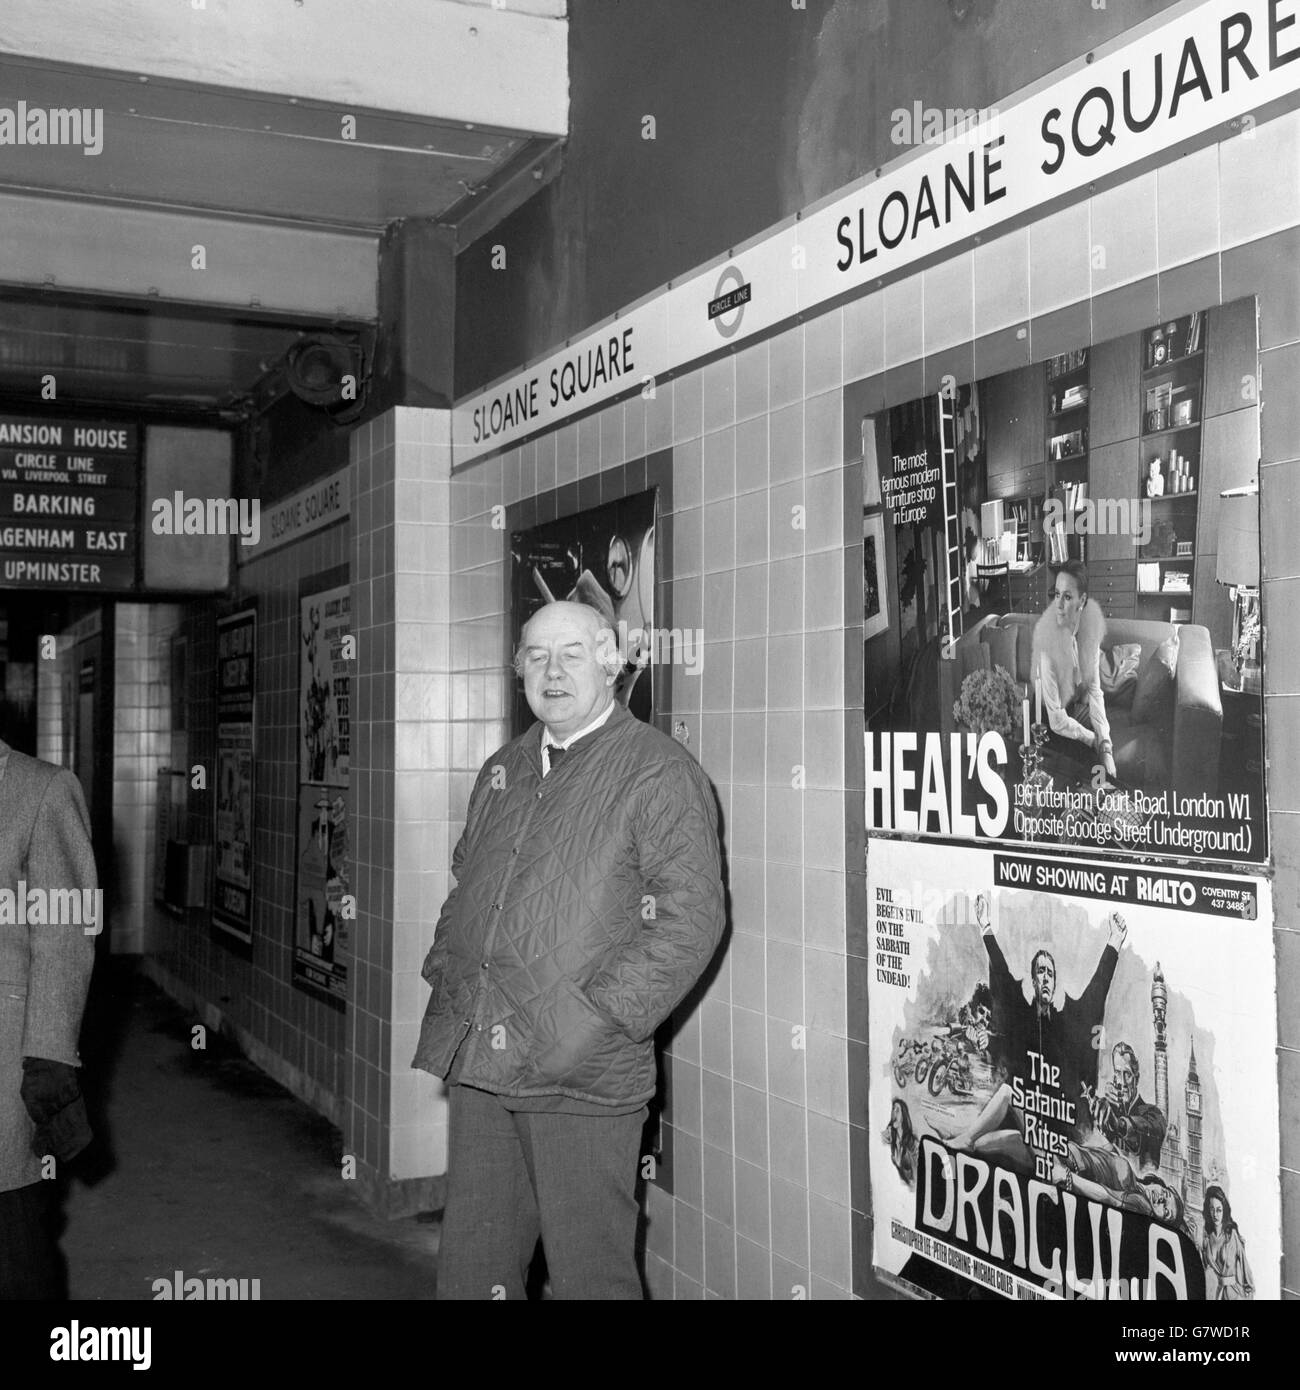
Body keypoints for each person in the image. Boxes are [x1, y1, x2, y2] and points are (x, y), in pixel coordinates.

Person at [413, 600, 725, 1300]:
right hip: (483, 1058)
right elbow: (469, 884)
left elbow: (691, 920)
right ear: (519, 668)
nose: (551, 671)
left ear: (613, 664)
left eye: (572, 654)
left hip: (579, 1071)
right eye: (536, 656)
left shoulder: (658, 771)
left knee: (590, 1277)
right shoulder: (505, 767)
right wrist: (450, 976)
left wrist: (591, 1022)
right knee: (473, 1262)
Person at [0, 739, 97, 1300]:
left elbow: (65, 935)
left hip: (6, 1055)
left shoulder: (41, 789)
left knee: (12, 1243)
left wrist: (50, 1056)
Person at [974, 892, 1124, 1122]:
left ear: (1054, 984)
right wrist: (985, 926)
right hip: (1025, 1114)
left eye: (1050, 974)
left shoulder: (1065, 1023)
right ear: (1033, 980)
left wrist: (1114, 942)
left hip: (1059, 1121)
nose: (1045, 978)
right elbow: (1002, 976)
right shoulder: (1021, 1017)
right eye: (1041, 972)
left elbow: (1096, 991)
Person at [1032, 559, 1116, 780]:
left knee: (1104, 759)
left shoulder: (1089, 635)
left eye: (1067, 597)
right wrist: (1091, 739)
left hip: (1071, 712)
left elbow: (1095, 692)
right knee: (1089, 763)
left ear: (1082, 600)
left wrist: (1106, 745)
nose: (1058, 605)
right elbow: (1057, 720)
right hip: (1048, 725)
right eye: (1057, 594)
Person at [1090, 1041, 1167, 1169]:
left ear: (1137, 1078)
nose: (1123, 1082)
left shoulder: (1153, 1114)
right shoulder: (1109, 1108)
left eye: (1128, 1074)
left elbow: (1148, 1129)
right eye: (1118, 1073)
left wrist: (1118, 1124)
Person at [1201, 1185, 1254, 1300]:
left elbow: (1245, 1265)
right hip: (1217, 1293)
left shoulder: (1231, 1235)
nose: (1215, 1214)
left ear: (1224, 1210)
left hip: (1235, 1293)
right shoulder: (1207, 1239)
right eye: (1212, 1209)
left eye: (1219, 1210)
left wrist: (1249, 1291)